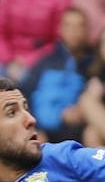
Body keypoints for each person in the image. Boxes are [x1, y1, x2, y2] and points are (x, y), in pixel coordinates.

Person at [23, 8, 93, 138]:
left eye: (80, 26)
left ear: (87, 30)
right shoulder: (45, 62)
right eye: (69, 25)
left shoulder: (93, 65)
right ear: (60, 29)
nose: (74, 31)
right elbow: (24, 94)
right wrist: (36, 128)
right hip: (42, 130)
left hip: (77, 131)